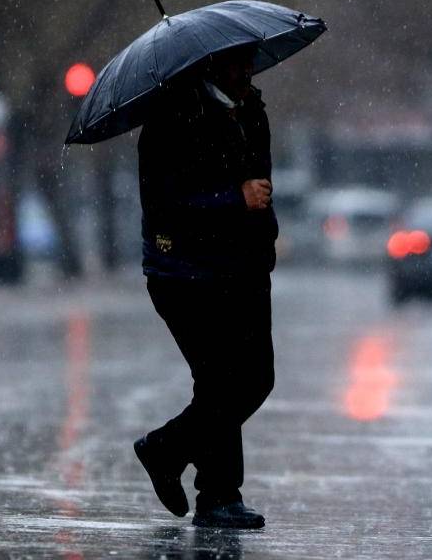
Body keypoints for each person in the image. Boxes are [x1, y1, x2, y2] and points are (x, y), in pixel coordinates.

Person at [132, 44, 277, 530]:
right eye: (237, 62)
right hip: (186, 274)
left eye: (249, 61)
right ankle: (216, 494)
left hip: (245, 269)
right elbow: (167, 202)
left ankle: (168, 453)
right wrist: (233, 199)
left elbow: (262, 184)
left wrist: (262, 237)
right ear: (211, 63)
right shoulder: (173, 117)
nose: (247, 71)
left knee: (254, 379)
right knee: (222, 382)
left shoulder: (251, 110)